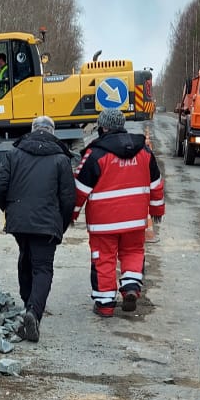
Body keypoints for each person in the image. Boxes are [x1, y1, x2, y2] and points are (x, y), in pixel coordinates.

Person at [0, 115, 76, 342]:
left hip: (19, 221)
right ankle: (33, 312)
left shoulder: (14, 153)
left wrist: (8, 210)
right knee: (42, 267)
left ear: (32, 130)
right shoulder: (60, 159)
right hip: (47, 223)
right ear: (52, 132)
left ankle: (28, 301)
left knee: (25, 256)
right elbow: (69, 197)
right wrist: (62, 222)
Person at [73, 109, 165, 316]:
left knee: (104, 258)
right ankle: (131, 287)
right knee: (133, 252)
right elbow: (156, 185)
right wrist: (157, 210)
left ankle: (105, 306)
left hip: (103, 223)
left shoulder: (95, 154)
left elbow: (79, 190)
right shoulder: (144, 152)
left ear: (103, 126)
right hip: (135, 220)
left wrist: (71, 214)